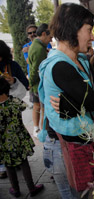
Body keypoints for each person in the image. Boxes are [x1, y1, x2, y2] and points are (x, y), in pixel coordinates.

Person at [38, 3, 94, 198]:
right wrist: (89, 98)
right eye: (89, 30)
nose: (93, 37)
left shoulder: (82, 61)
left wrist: (72, 104)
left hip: (83, 143)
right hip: (66, 150)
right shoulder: (60, 66)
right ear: (72, 29)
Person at [0, 77, 44, 197]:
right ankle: (31, 187)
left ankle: (15, 189)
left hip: (4, 143)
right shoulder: (14, 101)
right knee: (24, 163)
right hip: (20, 139)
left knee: (9, 166)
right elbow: (24, 106)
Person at [0, 40, 29, 179]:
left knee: (13, 133)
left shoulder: (12, 66)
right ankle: (5, 164)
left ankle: (17, 159)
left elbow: (26, 84)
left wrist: (13, 81)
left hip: (11, 107)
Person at [28, 23, 53, 137]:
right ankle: (44, 134)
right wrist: (31, 84)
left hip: (36, 84)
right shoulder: (39, 49)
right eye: (50, 37)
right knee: (43, 110)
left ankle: (41, 131)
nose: (50, 40)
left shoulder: (37, 45)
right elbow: (35, 70)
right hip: (38, 85)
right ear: (43, 34)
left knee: (40, 108)